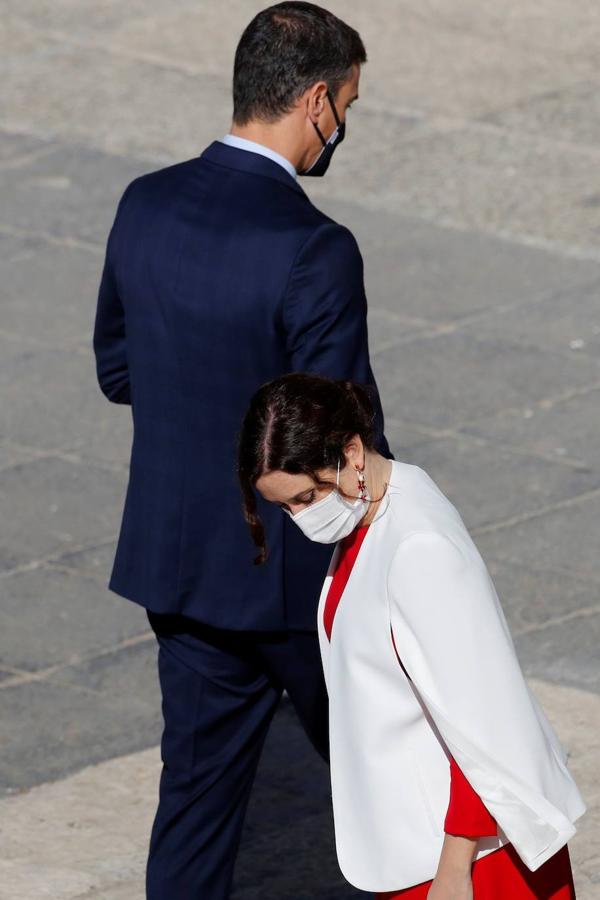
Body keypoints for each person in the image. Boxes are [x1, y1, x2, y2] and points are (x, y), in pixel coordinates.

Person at [92, 3, 391, 897]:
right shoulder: (313, 248)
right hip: (297, 585)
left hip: (178, 568)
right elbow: (346, 437)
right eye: (348, 104)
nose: (344, 124)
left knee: (194, 802)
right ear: (315, 104)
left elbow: (118, 370)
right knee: (395, 773)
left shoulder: (144, 203)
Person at [238, 372, 586, 899]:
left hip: (468, 859)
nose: (300, 519)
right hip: (421, 844)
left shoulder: (419, 549)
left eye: (306, 497)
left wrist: (453, 872)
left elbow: (483, 716)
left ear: (352, 452)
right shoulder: (381, 508)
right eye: (285, 507)